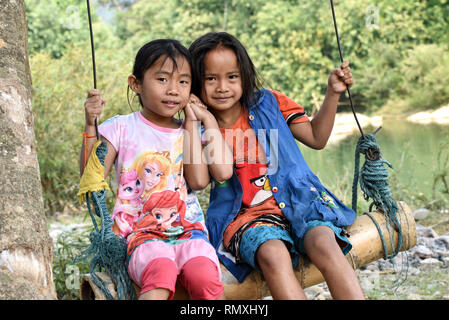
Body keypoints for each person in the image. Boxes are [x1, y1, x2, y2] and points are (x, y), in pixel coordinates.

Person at [188, 32, 365, 300]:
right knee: (272, 253)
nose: (222, 87)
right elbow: (198, 181)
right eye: (211, 78)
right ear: (195, 83)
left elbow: (317, 138)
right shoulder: (196, 129)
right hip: (246, 218)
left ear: (245, 75)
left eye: (232, 77)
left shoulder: (269, 102)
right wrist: (198, 119)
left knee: (325, 243)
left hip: (300, 202)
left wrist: (333, 93)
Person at [79, 39, 233, 300]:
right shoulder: (121, 127)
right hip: (139, 234)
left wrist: (198, 121)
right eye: (162, 80)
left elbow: (198, 181)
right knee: (161, 272)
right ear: (136, 83)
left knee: (205, 277)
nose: (173, 90)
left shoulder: (190, 128)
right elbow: (91, 176)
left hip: (188, 231)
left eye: (183, 82)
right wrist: (91, 125)